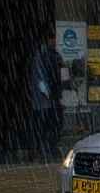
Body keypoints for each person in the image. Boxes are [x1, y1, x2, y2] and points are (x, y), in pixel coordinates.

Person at [28, 29, 70, 162]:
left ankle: (45, 151)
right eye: (52, 39)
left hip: (50, 100)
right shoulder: (43, 57)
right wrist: (50, 95)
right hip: (45, 101)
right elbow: (41, 81)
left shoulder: (52, 55)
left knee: (49, 126)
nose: (55, 42)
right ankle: (42, 152)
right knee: (46, 126)